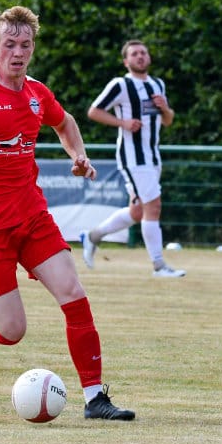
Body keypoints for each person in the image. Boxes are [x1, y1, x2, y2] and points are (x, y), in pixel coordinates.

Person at [0, 6, 135, 420]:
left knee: (73, 293)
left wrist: (79, 155)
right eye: (10, 44)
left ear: (33, 47)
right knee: (11, 332)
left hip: (31, 217)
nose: (18, 52)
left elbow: (65, 122)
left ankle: (95, 399)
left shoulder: (36, 93)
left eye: (25, 44)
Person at [79, 39, 185, 278]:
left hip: (153, 156)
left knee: (138, 212)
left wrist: (165, 108)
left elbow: (168, 121)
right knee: (153, 207)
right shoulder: (121, 84)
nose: (140, 56)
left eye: (143, 53)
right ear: (126, 61)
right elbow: (94, 111)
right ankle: (159, 266)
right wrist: (123, 123)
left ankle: (92, 236)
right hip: (133, 157)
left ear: (149, 57)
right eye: (134, 53)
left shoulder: (157, 84)